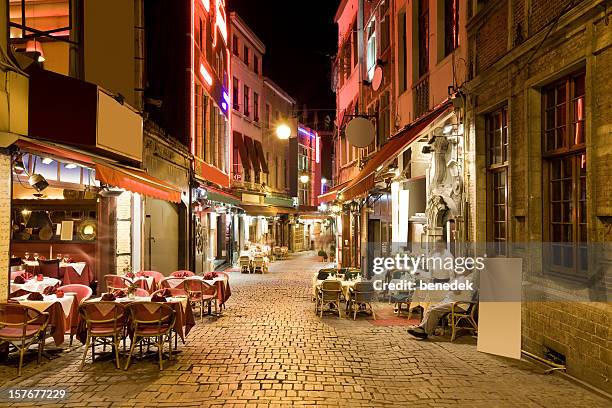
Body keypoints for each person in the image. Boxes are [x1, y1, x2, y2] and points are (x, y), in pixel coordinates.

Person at [407, 270, 478, 340]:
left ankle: (426, 332)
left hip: (460, 304)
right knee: (431, 307)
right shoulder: (463, 278)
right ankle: (422, 328)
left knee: (434, 310)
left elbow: (456, 291)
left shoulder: (468, 279)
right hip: (452, 301)